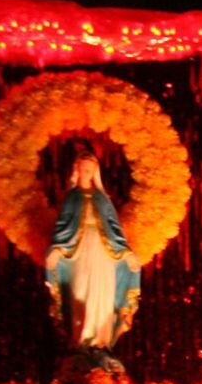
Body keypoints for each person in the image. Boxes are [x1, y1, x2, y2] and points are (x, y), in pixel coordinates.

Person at [45, 145, 141, 356]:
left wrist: (125, 252)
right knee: (79, 293)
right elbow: (63, 228)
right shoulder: (71, 198)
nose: (85, 174)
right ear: (76, 170)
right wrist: (58, 250)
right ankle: (81, 341)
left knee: (102, 294)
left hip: (102, 253)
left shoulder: (101, 199)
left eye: (89, 170)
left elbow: (114, 230)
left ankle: (101, 343)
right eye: (82, 169)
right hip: (77, 254)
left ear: (95, 173)